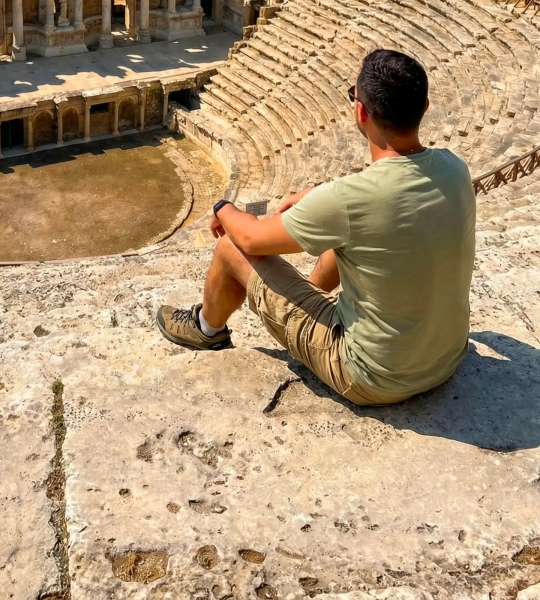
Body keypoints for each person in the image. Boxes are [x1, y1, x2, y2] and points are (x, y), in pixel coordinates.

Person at [156, 49, 476, 406]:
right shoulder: (455, 168)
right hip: (446, 358)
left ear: (360, 112)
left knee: (231, 248)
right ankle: (309, 296)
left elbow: (250, 238)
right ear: (426, 107)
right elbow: (386, 200)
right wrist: (319, 194)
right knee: (356, 238)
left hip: (373, 378)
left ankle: (206, 329)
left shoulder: (349, 201)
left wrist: (223, 208)